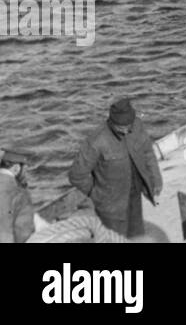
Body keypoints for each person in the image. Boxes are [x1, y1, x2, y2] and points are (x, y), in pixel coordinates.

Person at [67, 97, 163, 239]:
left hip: (134, 197)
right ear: (112, 122)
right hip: (110, 208)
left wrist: (155, 179)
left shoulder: (137, 126)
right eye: (121, 127)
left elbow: (147, 152)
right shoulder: (96, 141)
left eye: (128, 126)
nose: (126, 131)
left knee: (137, 236)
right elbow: (76, 175)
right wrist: (96, 194)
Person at [0, 144, 34, 243]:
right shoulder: (20, 194)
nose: (25, 174)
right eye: (25, 169)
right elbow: (23, 234)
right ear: (16, 168)